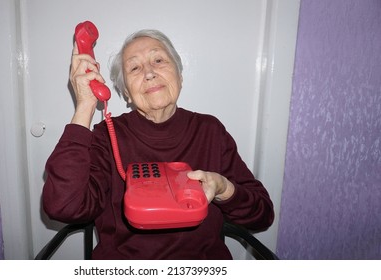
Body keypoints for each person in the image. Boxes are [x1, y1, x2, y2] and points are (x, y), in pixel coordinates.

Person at [42, 29, 274, 259]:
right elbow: (64, 205)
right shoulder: (106, 136)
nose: (150, 73)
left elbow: (262, 215)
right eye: (134, 68)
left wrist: (225, 189)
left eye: (159, 60)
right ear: (126, 92)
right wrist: (85, 105)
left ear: (180, 76)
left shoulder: (210, 130)